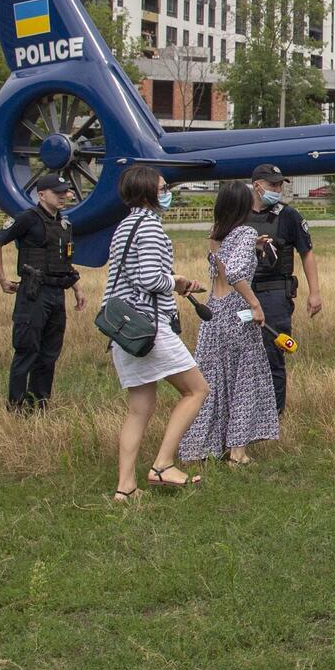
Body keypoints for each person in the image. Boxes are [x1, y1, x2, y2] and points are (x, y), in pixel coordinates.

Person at [104, 165, 210, 499]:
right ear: (147, 191)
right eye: (162, 187)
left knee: (140, 408)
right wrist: (177, 281)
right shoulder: (149, 227)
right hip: (149, 327)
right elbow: (150, 278)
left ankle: (125, 487)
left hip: (124, 330)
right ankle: (163, 465)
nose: (168, 192)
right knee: (196, 391)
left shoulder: (125, 226)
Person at [178, 183, 280, 467]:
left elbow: (220, 268)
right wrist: (255, 304)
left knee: (211, 380)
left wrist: (254, 246)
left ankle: (200, 447)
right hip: (237, 311)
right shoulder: (245, 233)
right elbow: (235, 273)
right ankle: (237, 452)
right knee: (245, 380)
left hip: (214, 311)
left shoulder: (216, 234)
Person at [0, 173, 86, 412]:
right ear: (41, 195)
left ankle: (39, 404)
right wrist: (2, 279)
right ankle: (16, 406)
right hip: (34, 293)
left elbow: (64, 261)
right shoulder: (27, 219)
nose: (63, 197)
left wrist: (77, 287)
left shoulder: (64, 224)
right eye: (57, 193)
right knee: (27, 351)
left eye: (65, 192)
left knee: (49, 353)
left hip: (56, 293)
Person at [246, 164, 323, 415]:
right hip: (242, 294)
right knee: (242, 355)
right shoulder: (239, 213)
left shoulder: (288, 215)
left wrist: (314, 292)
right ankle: (246, 411)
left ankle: (273, 414)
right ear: (257, 185)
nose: (278, 189)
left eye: (280, 185)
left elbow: (306, 253)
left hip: (274, 294)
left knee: (273, 354)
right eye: (273, 185)